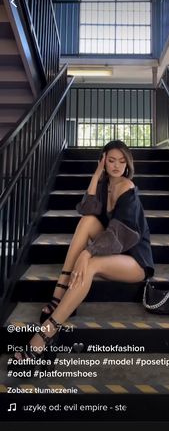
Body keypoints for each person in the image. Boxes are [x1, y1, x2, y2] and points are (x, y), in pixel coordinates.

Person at [10, 140, 155, 370]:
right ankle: (59, 295)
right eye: (110, 160)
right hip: (114, 248)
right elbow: (88, 210)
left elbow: (121, 235)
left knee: (92, 263)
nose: (116, 165)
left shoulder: (127, 189)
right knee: (87, 221)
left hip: (134, 259)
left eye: (121, 161)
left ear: (127, 164)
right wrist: (96, 175)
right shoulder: (105, 183)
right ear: (103, 161)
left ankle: (45, 334)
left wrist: (87, 253)